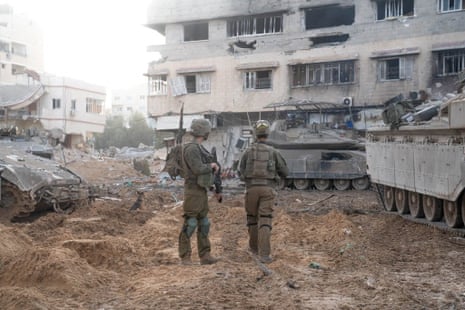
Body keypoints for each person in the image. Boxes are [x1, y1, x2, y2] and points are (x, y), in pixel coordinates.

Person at [239, 120, 289, 263]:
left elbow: (240, 171)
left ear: (255, 134)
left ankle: (253, 250)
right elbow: (285, 171)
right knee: (265, 220)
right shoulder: (274, 152)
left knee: (252, 220)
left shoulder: (247, 151)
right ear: (268, 134)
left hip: (251, 190)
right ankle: (265, 255)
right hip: (268, 189)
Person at [178, 118, 221, 265]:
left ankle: (205, 255)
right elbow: (197, 169)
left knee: (204, 223)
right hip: (192, 191)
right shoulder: (192, 148)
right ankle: (185, 257)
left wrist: (213, 187)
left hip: (200, 190)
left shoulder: (198, 148)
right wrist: (212, 166)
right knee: (190, 223)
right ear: (204, 131)